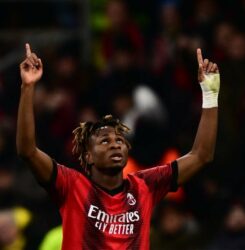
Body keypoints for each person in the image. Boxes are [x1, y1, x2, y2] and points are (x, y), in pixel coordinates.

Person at [16, 43, 220, 249]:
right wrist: (27, 88)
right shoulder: (70, 186)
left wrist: (210, 95)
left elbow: (201, 155)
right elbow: (27, 150)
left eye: (120, 141)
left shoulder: (145, 186)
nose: (115, 145)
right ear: (88, 156)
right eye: (105, 141)